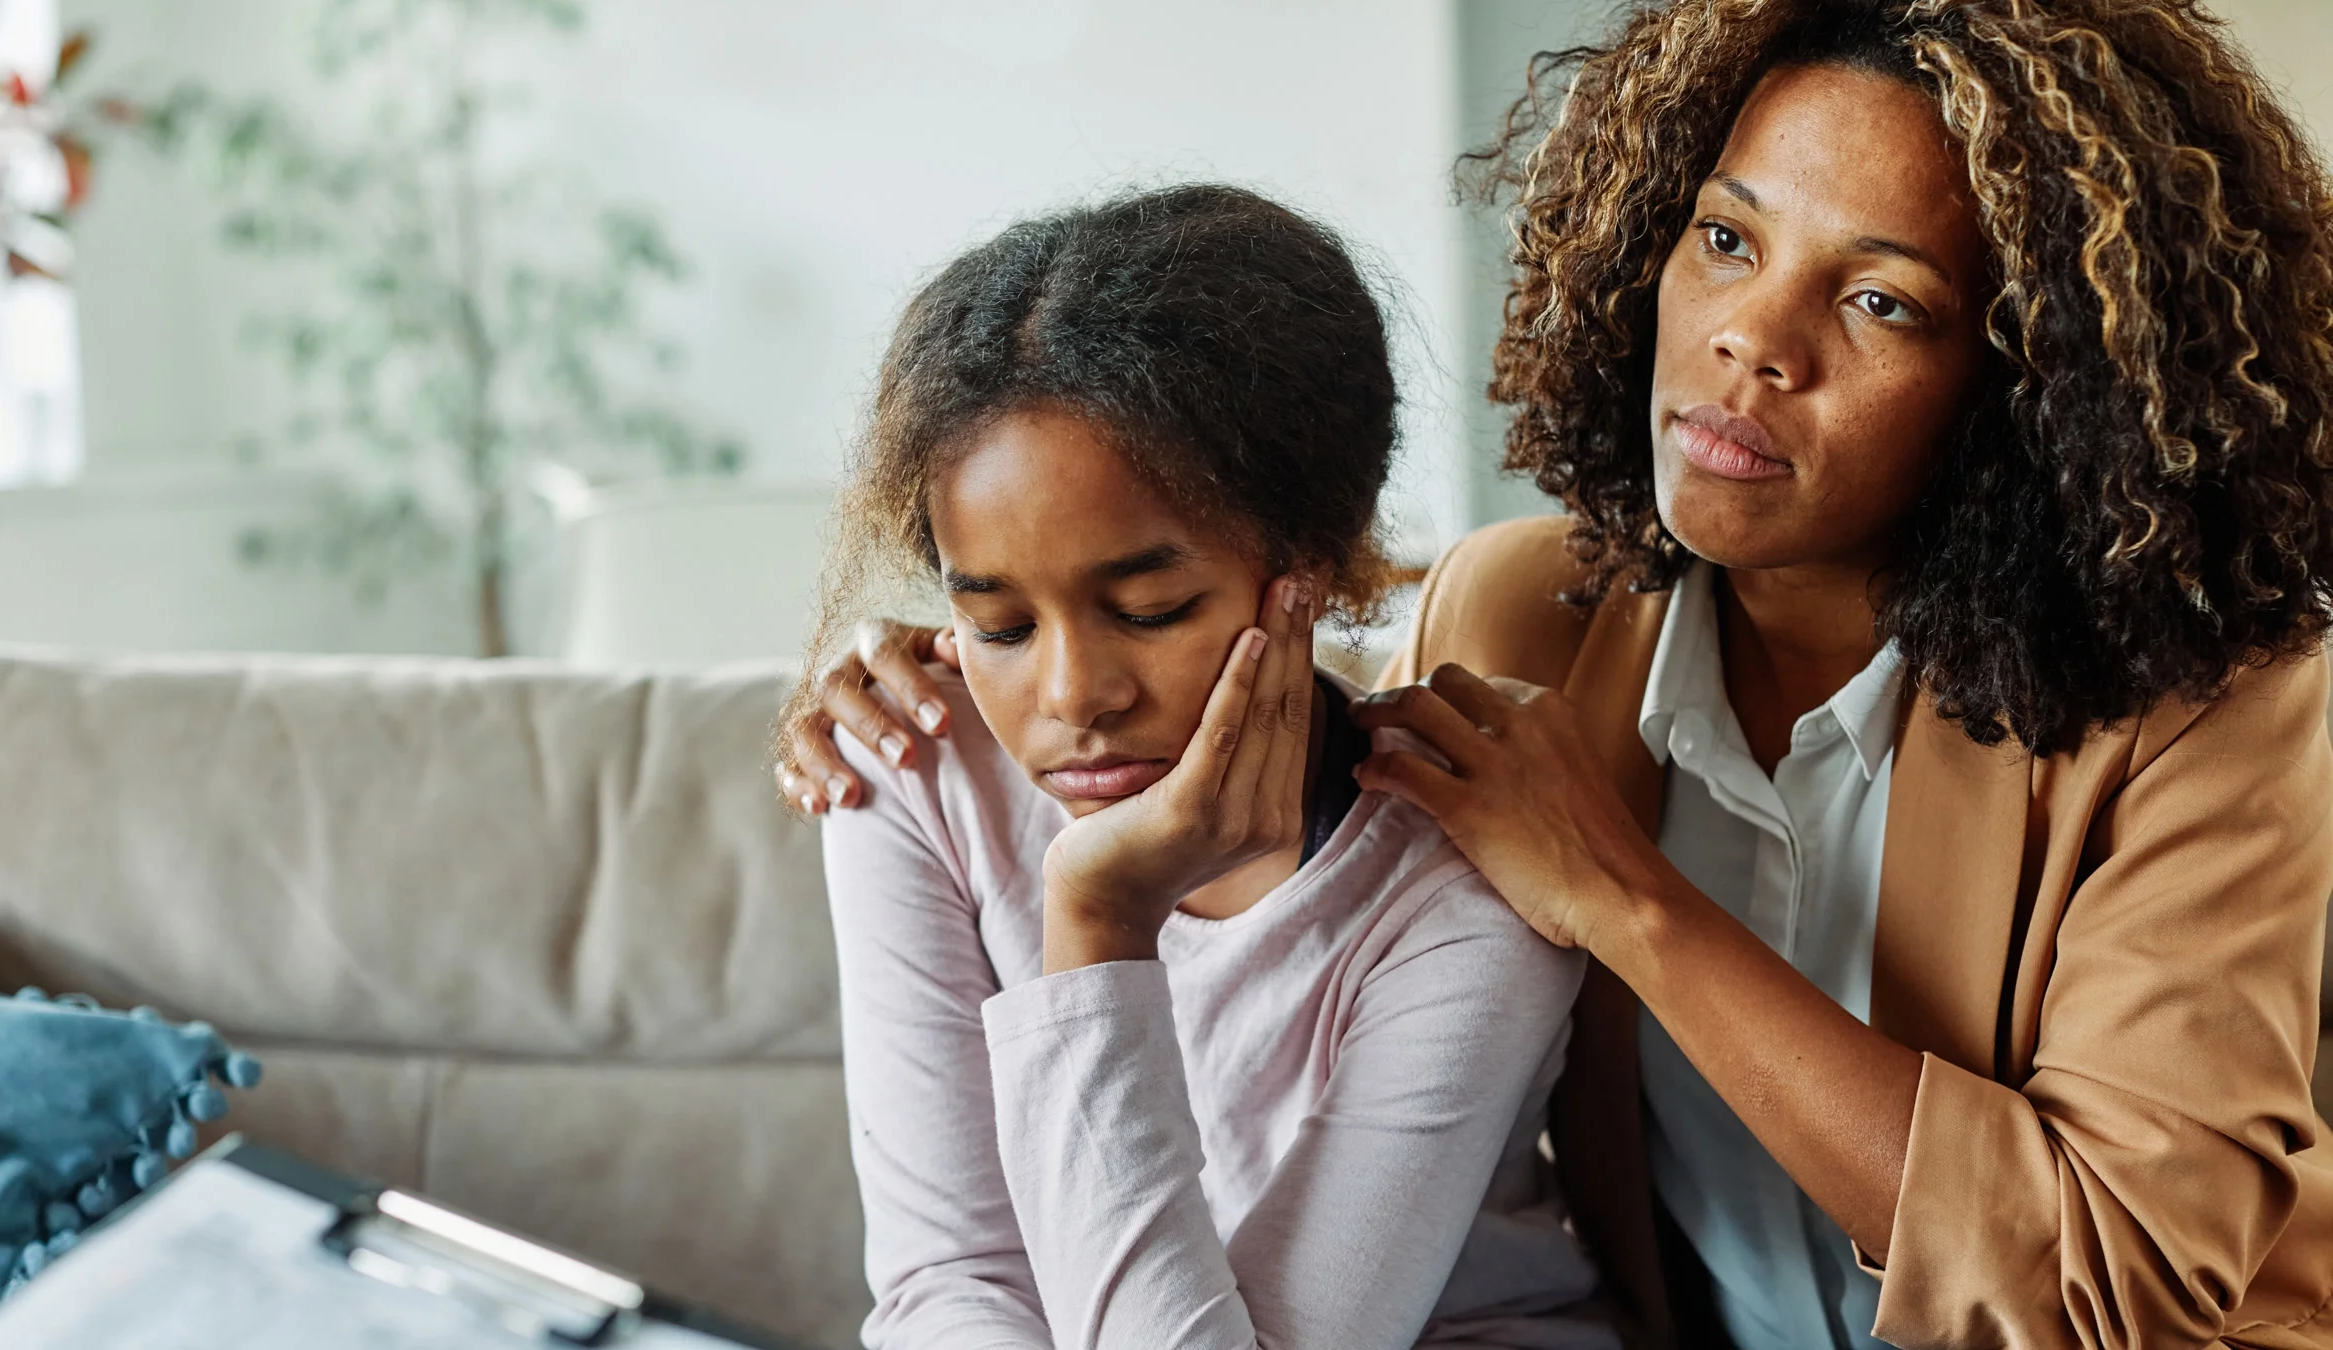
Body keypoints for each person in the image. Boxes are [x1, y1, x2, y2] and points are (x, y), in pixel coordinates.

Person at [778, 3, 2333, 1346]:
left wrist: (1627, 902)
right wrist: (923, 651)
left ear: (2032, 382)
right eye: (1725, 240)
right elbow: (1211, 635)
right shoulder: (1523, 613)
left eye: (1878, 301)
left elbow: (2112, 1287)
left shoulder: (2216, 701)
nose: (1751, 342)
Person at [794, 184, 1609, 1349]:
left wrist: (1098, 924)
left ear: (1311, 569)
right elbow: (951, 1284)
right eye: (1003, 628)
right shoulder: (913, 774)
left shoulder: (1468, 879)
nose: (1076, 697)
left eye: (1152, 608)